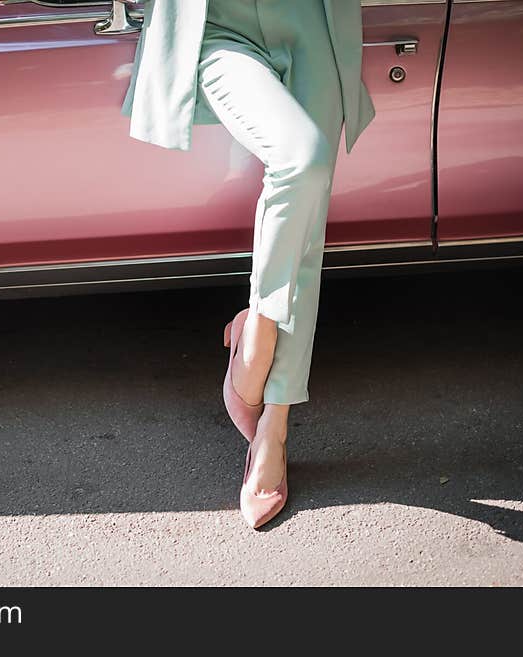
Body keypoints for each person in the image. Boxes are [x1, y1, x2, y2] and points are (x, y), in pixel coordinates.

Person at [119, 0, 375, 529]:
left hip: (313, 23)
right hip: (217, 25)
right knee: (301, 157)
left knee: (308, 215)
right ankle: (256, 339)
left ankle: (273, 425)